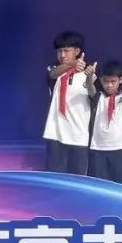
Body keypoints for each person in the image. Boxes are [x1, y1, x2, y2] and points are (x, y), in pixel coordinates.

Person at [42, 31, 92, 175]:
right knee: (55, 180)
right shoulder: (54, 69)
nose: (62, 55)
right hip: (55, 135)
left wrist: (89, 74)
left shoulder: (89, 73)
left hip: (78, 137)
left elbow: (95, 95)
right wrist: (72, 64)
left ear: (77, 51)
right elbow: (52, 74)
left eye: (66, 50)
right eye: (59, 51)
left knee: (76, 181)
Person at [87, 61, 122, 185]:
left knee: (119, 185)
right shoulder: (98, 97)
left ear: (120, 80)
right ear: (100, 80)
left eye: (113, 81)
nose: (109, 85)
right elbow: (90, 88)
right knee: (99, 185)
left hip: (119, 149)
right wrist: (89, 77)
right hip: (98, 149)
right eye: (105, 81)